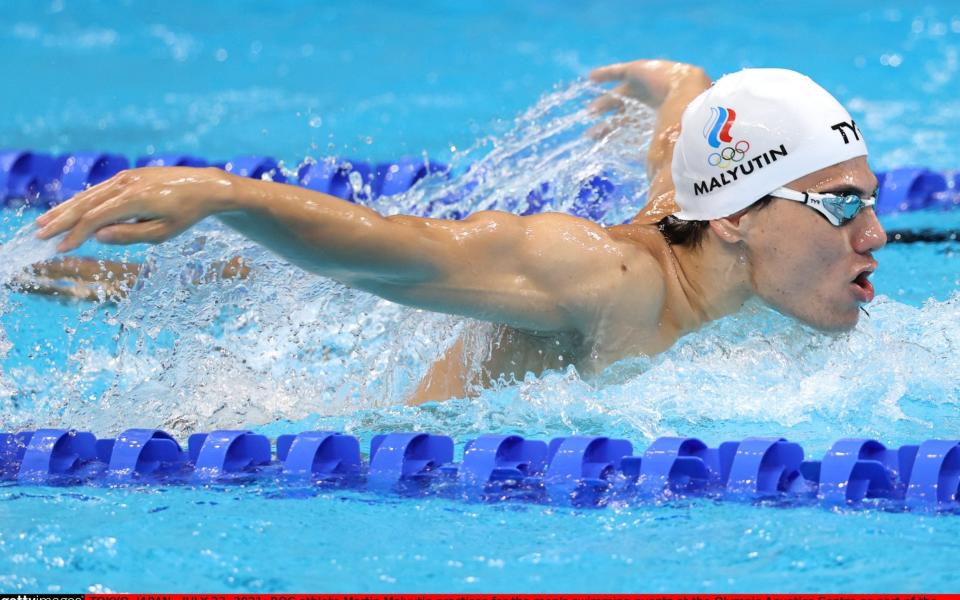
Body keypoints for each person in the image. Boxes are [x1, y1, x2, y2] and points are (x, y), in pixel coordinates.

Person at [32, 59, 886, 404]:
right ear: (736, 219)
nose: (878, 234)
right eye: (845, 206)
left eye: (872, 200)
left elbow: (680, 153)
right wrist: (225, 194)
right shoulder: (606, 279)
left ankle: (126, 279)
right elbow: (403, 253)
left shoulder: (706, 221)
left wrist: (678, 83)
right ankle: (113, 276)